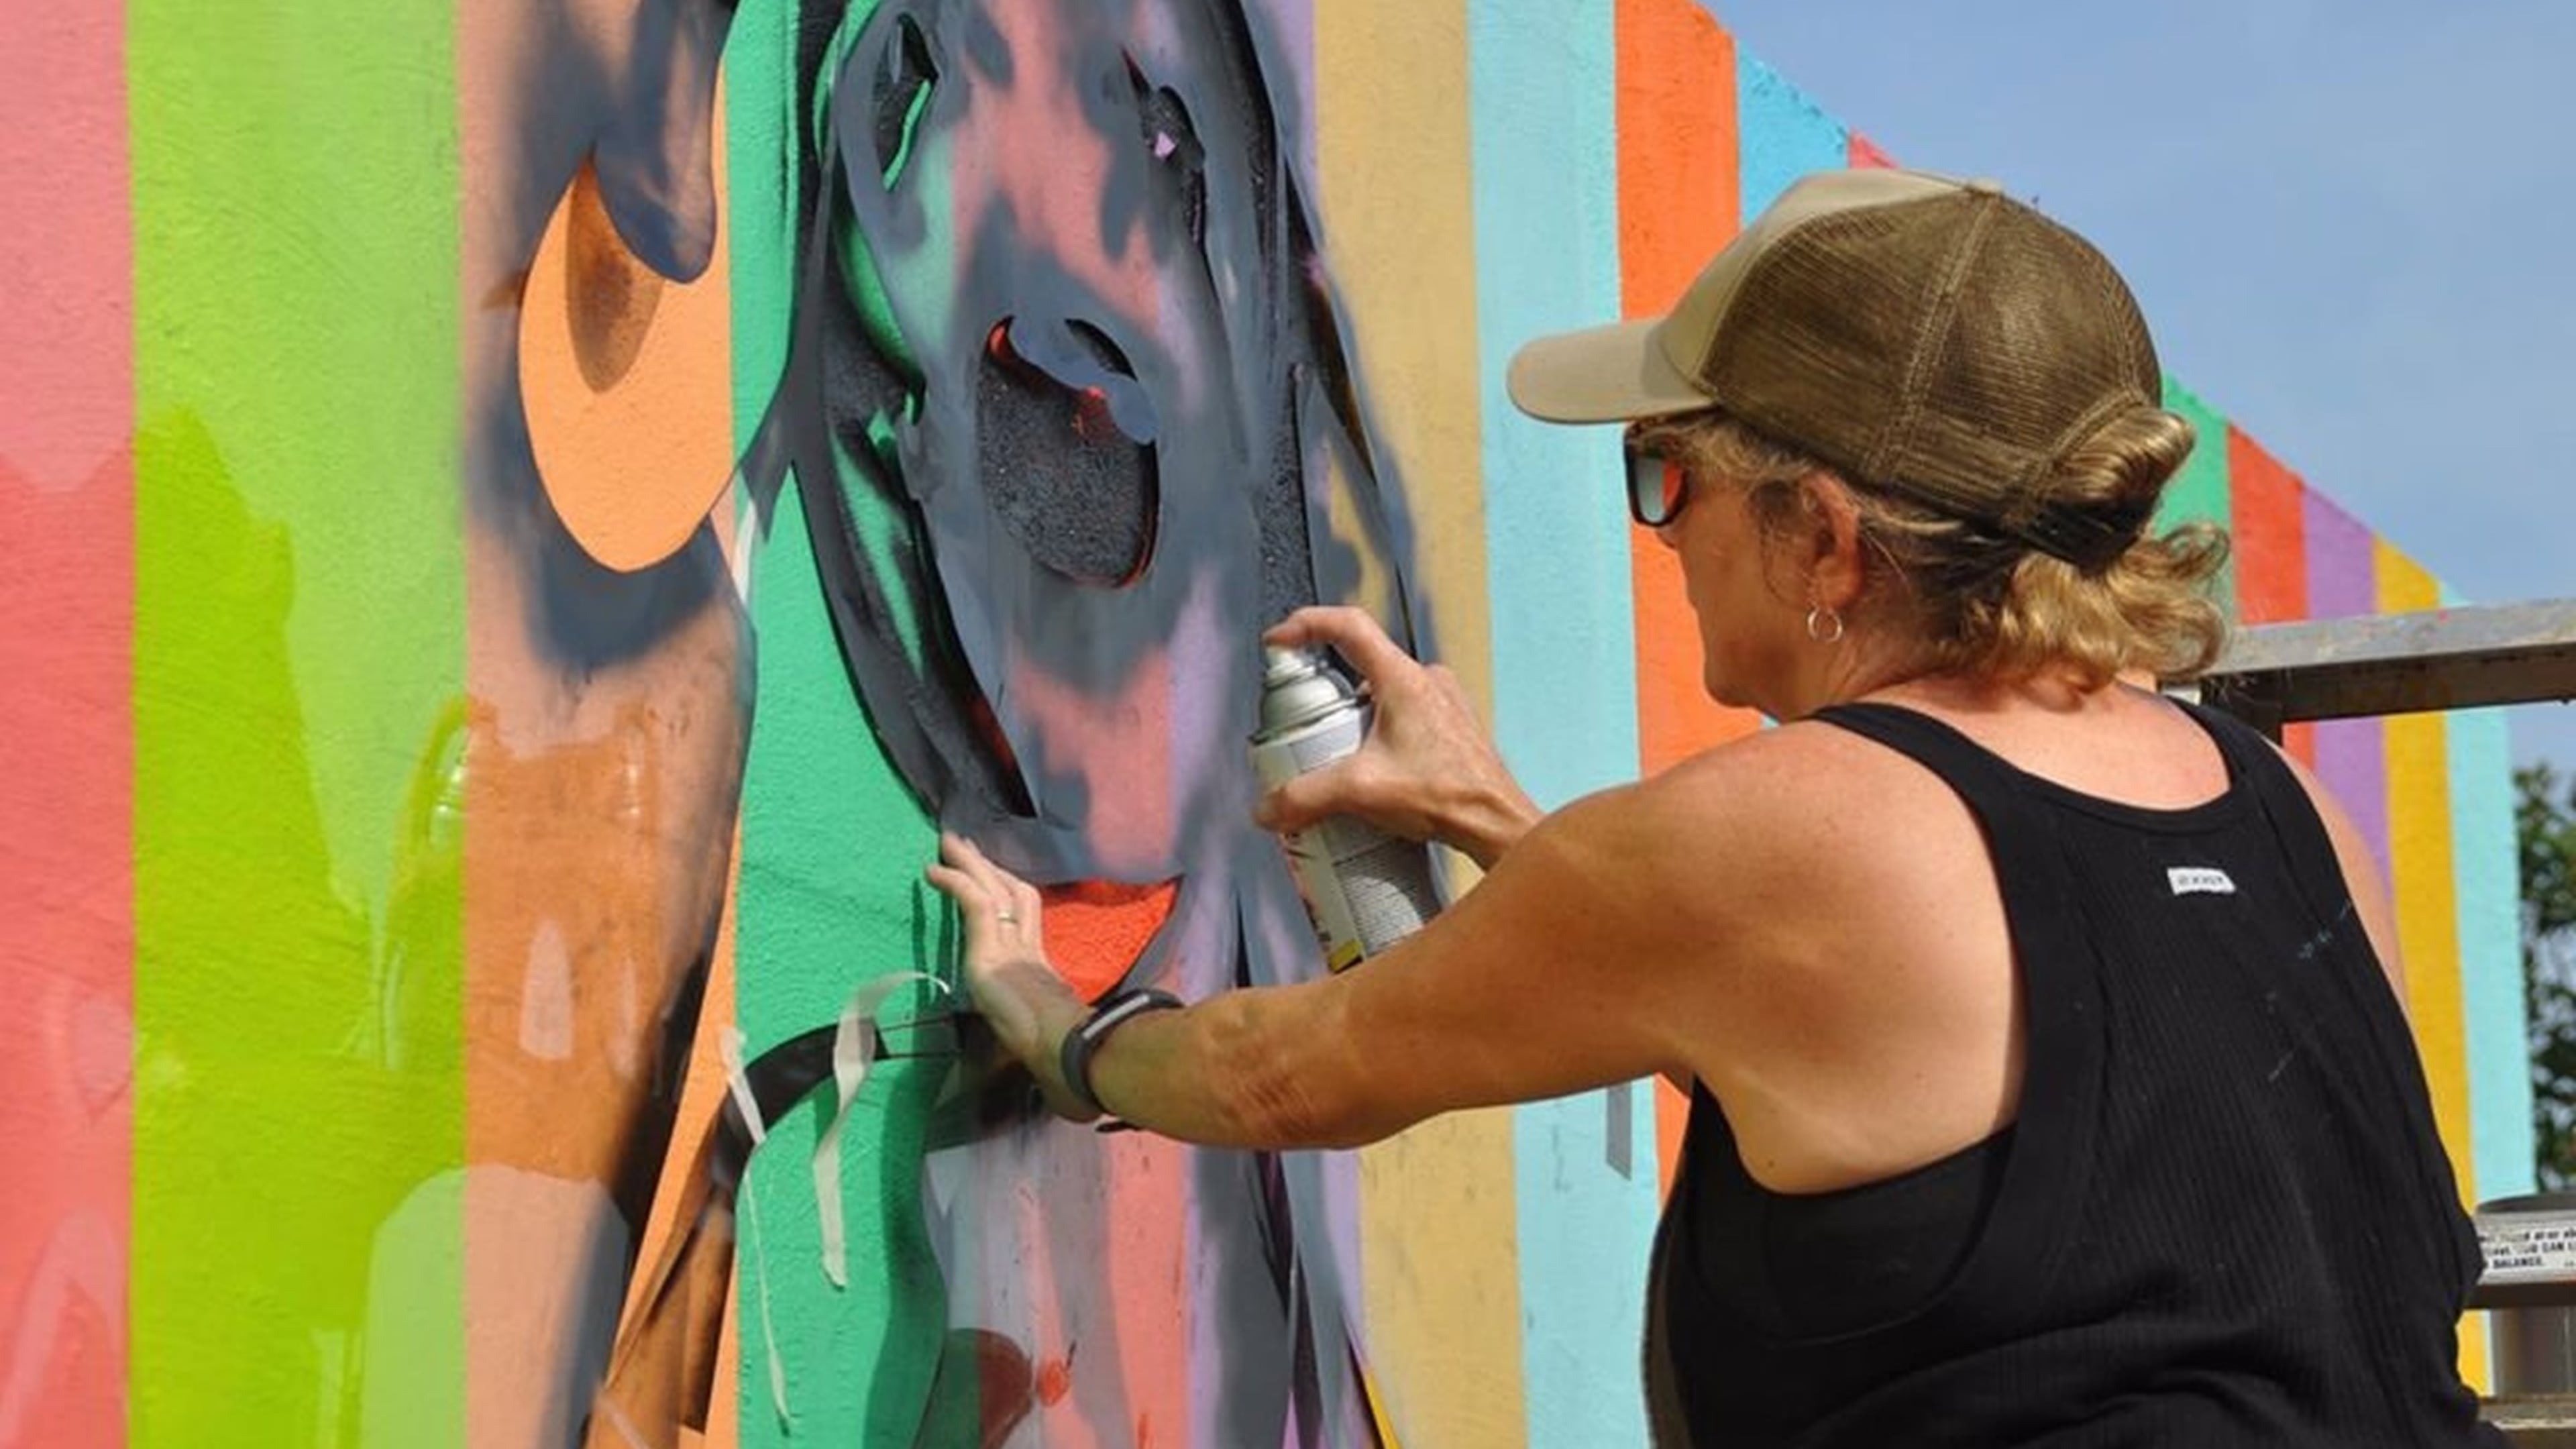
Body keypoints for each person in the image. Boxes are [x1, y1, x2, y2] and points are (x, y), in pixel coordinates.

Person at [926, 166, 2502, 1445]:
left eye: (1669, 476)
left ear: (1825, 540)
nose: (1658, 535)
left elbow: (1285, 1080)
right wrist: (1504, 822)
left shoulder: (1776, 833)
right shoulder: (2282, 809)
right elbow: (1914, 1059)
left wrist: (1048, 1023)